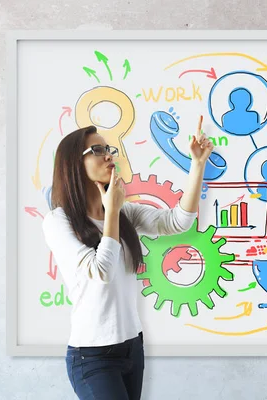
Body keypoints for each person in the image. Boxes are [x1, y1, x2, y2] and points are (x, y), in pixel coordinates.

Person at [41, 121, 214, 400]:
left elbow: (179, 222)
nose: (109, 155)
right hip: (92, 357)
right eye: (96, 150)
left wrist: (197, 164)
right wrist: (111, 211)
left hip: (132, 347)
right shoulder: (58, 221)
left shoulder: (124, 214)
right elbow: (102, 271)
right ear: (73, 163)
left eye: (108, 148)